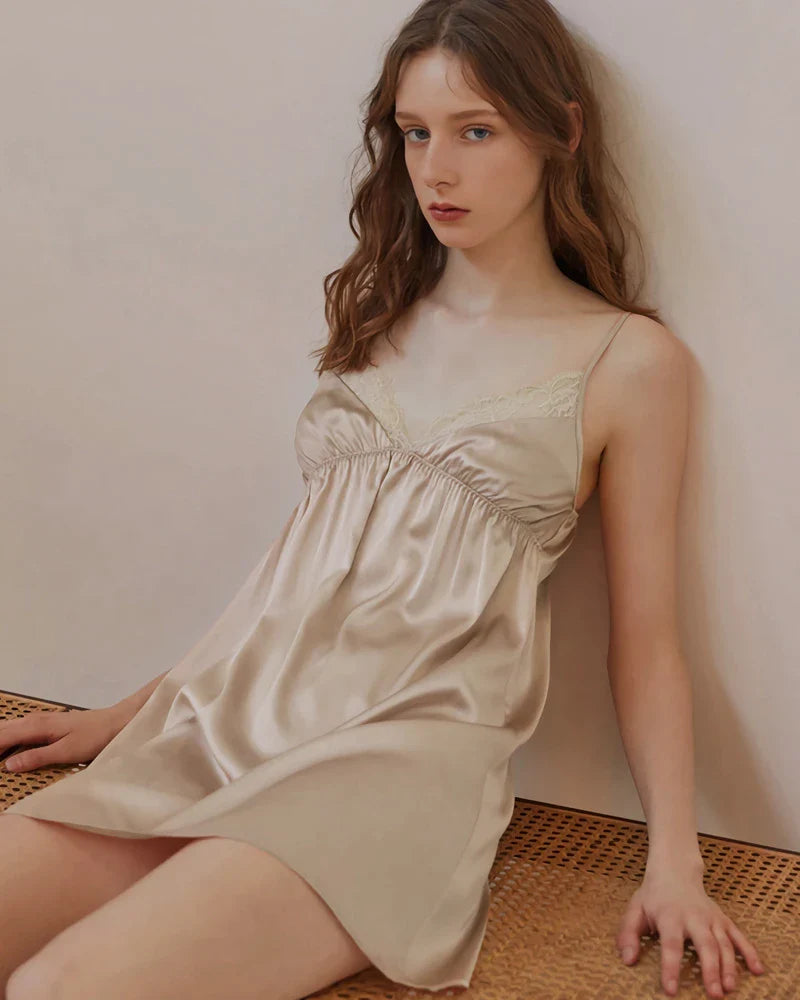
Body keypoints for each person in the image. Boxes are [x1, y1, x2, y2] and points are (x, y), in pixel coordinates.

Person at [0, 2, 767, 999]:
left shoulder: (629, 363)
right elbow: (304, 571)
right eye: (414, 133)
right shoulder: (378, 312)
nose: (435, 170)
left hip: (396, 772)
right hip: (232, 723)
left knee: (58, 987)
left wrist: (675, 861)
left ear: (563, 131)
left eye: (475, 131)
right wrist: (142, 706)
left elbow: (649, 639)